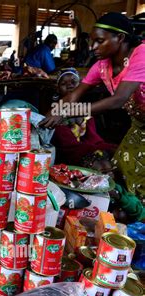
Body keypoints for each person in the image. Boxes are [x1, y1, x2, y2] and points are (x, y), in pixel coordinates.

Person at [40, 12, 145, 204]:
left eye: (100, 41)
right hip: (140, 124)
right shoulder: (102, 66)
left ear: (120, 38)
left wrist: (65, 113)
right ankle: (132, 212)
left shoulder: (141, 55)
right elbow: (74, 95)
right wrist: (49, 115)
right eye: (92, 41)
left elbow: (118, 99)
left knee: (140, 175)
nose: (93, 47)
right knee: (122, 165)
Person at [51, 68, 117, 166]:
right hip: (66, 157)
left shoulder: (85, 111)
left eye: (73, 82)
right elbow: (69, 147)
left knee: (116, 152)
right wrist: (97, 150)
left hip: (86, 151)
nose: (69, 85)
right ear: (57, 89)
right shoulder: (55, 114)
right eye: (64, 84)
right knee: (100, 163)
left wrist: (111, 148)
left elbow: (94, 140)